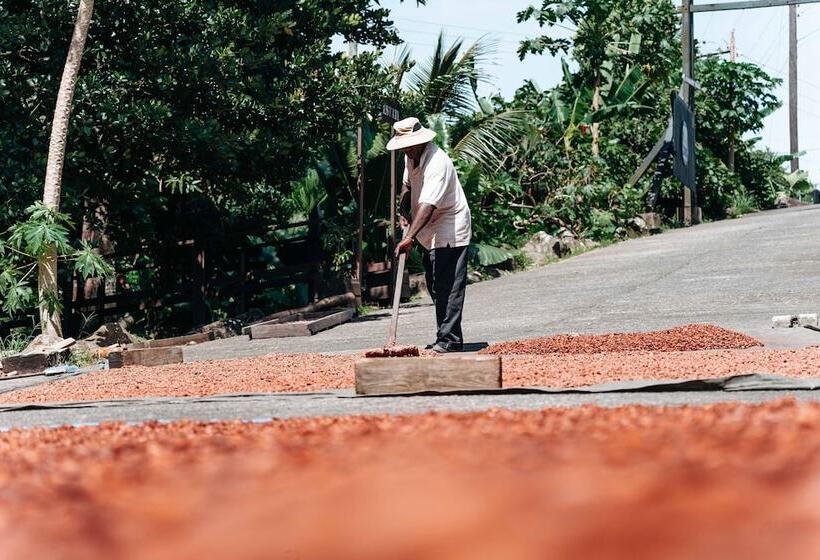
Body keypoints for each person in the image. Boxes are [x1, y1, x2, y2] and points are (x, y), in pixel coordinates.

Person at [386, 117, 472, 353]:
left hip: (449, 226)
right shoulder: (410, 156)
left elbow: (428, 205)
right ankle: (448, 334)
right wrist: (404, 209)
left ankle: (449, 339)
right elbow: (407, 186)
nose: (407, 149)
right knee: (435, 285)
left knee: (447, 286)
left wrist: (409, 237)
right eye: (404, 146)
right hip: (426, 228)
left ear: (421, 140)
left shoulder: (437, 163)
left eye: (410, 145)